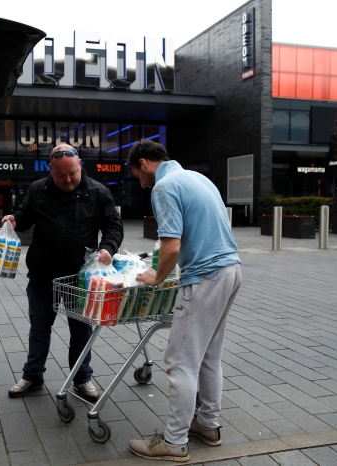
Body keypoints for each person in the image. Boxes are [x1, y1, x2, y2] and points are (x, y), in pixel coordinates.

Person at [126, 139, 242, 462]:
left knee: (179, 361)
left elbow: (171, 247)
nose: (140, 181)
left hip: (205, 276)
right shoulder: (197, 178)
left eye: (138, 173)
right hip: (231, 269)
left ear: (146, 162)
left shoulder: (163, 187)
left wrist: (157, 277)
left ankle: (174, 442)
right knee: (208, 356)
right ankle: (208, 424)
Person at [3, 144, 124, 401]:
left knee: (81, 331)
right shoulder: (38, 189)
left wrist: (107, 247)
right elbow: (26, 215)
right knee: (39, 328)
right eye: (61, 175)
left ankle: (82, 379)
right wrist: (15, 219)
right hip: (42, 274)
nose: (68, 180)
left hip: (79, 277)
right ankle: (33, 376)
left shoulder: (98, 192)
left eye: (73, 174)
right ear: (51, 169)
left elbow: (113, 225)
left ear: (80, 164)